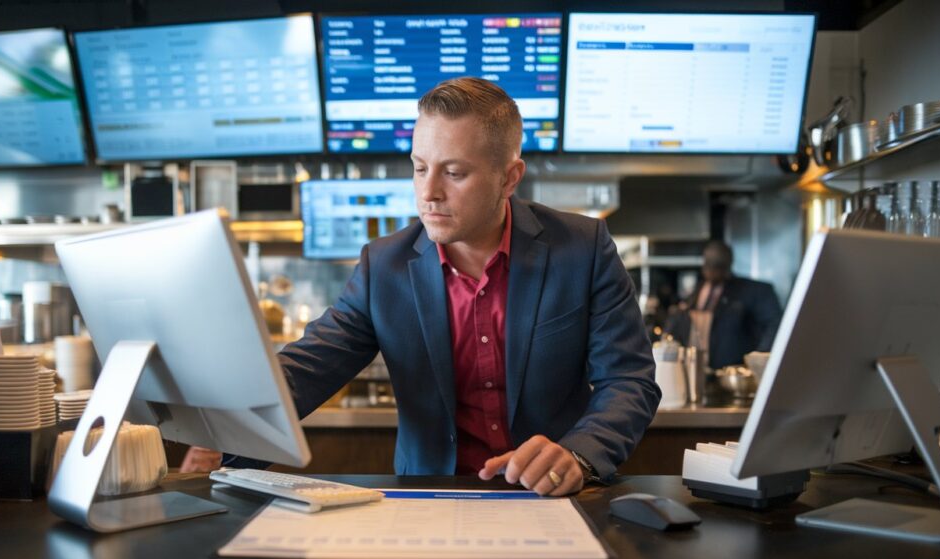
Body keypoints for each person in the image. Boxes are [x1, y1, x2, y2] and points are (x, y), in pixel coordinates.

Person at [184, 77, 659, 496]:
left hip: (549, 497)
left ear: (509, 177)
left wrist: (578, 454)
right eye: (418, 167)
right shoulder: (384, 266)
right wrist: (222, 430)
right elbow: (307, 369)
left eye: (454, 173)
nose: (428, 192)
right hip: (428, 497)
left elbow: (629, 380)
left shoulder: (581, 248)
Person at [665, 241, 782, 370]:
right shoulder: (698, 290)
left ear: (728, 265)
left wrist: (758, 360)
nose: (712, 271)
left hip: (733, 371)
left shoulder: (751, 291)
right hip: (695, 369)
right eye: (709, 265)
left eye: (718, 266)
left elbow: (774, 323)